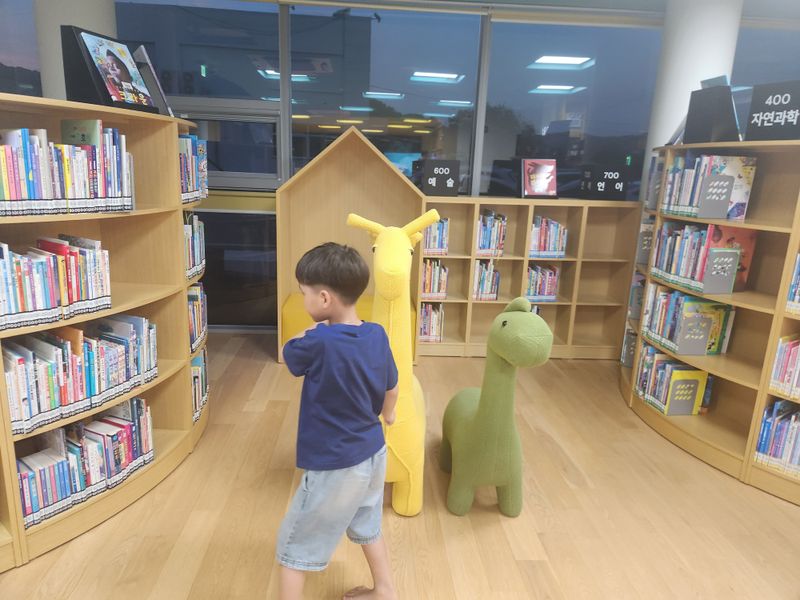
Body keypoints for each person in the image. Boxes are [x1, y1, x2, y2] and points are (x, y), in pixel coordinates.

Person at [278, 242, 399, 600]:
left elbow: (287, 353)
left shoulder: (319, 341)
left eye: (305, 294)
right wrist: (389, 414)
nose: (304, 300)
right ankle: (385, 590)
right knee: (367, 523)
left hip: (336, 464)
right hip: (373, 453)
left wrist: (310, 330)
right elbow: (392, 387)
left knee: (294, 547)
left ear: (325, 299)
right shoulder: (377, 334)